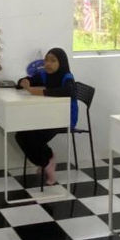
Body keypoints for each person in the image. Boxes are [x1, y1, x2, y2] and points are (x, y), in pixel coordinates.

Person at [15, 47, 77, 186]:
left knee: (33, 138)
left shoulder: (67, 77)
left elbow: (68, 91)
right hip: (46, 116)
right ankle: (47, 159)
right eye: (46, 60)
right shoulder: (44, 75)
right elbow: (28, 81)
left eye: (53, 61)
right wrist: (23, 82)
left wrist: (41, 91)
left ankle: (47, 163)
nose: (48, 64)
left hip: (63, 119)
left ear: (61, 63)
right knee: (21, 135)